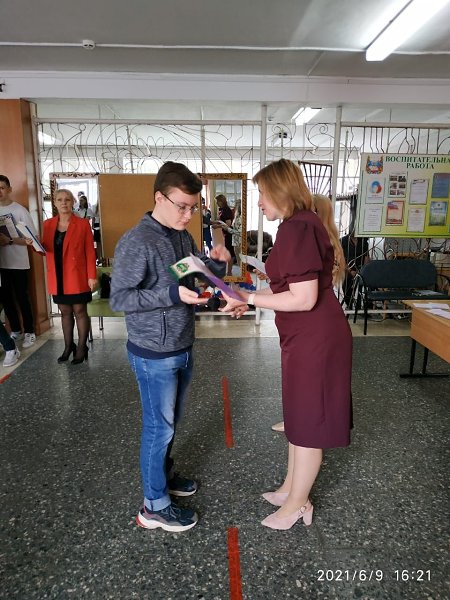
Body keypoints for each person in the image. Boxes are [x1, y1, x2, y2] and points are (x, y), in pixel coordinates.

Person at [220, 159, 352, 530]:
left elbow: (303, 297)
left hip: (315, 338)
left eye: (263, 193)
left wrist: (248, 298)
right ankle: (291, 488)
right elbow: (289, 289)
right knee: (298, 416)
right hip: (305, 335)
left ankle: (297, 505)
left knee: (308, 422)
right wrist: (247, 297)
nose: (259, 201)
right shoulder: (298, 224)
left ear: (281, 191)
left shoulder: (298, 227)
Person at [109, 161, 230, 533]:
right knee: (158, 428)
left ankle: (162, 476)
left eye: (193, 208)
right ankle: (154, 506)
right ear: (159, 198)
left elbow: (188, 273)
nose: (188, 215)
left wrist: (216, 267)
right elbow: (120, 298)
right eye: (182, 206)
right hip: (153, 352)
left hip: (181, 342)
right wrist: (171, 295)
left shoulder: (181, 236)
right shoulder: (137, 241)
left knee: (169, 423)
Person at [270, 193, 346, 434]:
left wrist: (249, 298)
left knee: (311, 402)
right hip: (302, 326)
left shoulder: (308, 234)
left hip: (313, 325)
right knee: (302, 394)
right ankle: (297, 421)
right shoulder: (307, 233)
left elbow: (306, 293)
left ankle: (301, 423)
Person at [41, 189, 97, 364]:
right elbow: (45, 250)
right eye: (59, 200)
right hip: (57, 276)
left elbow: (90, 251)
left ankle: (81, 347)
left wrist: (92, 275)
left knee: (80, 311)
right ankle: (68, 346)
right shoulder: (47, 224)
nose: (63, 203)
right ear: (55, 203)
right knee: (64, 312)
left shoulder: (82, 224)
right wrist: (34, 244)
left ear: (73, 202)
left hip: (77, 274)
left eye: (67, 199)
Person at [0, 175, 37, 348]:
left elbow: (32, 239)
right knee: (6, 299)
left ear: (9, 189)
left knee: (22, 297)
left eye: (2, 188)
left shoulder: (20, 210)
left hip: (18, 262)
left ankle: (30, 331)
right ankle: (15, 330)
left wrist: (10, 240)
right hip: (1, 263)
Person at [340, 231, 370, 309]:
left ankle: (366, 305)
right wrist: (350, 271)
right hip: (347, 268)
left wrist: (363, 270)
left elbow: (366, 258)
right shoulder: (343, 241)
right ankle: (349, 305)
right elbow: (341, 260)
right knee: (346, 283)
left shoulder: (363, 241)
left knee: (370, 282)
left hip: (361, 268)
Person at [212, 194, 234, 275]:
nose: (217, 203)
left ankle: (229, 272)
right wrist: (213, 223)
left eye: (217, 201)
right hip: (224, 234)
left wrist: (217, 226)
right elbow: (222, 221)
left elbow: (228, 224)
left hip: (229, 234)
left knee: (230, 253)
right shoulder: (222, 210)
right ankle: (227, 271)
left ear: (221, 201)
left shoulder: (227, 210)